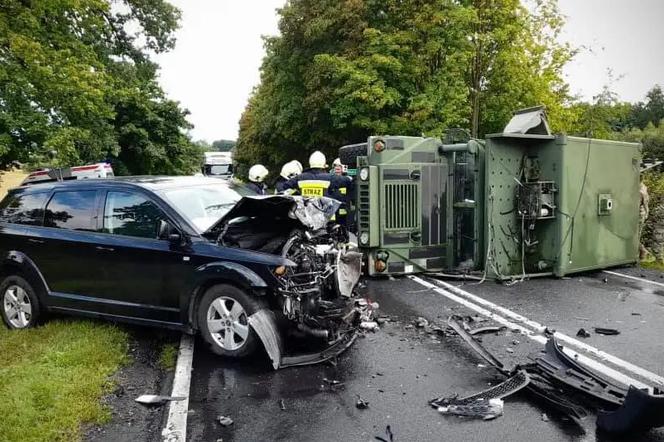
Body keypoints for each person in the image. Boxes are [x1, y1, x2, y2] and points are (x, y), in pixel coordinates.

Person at [639, 181, 650, 260]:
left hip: (639, 215)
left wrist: (646, 213)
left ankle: (643, 251)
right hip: (636, 215)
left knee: (635, 237)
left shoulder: (642, 190)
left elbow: (645, 204)